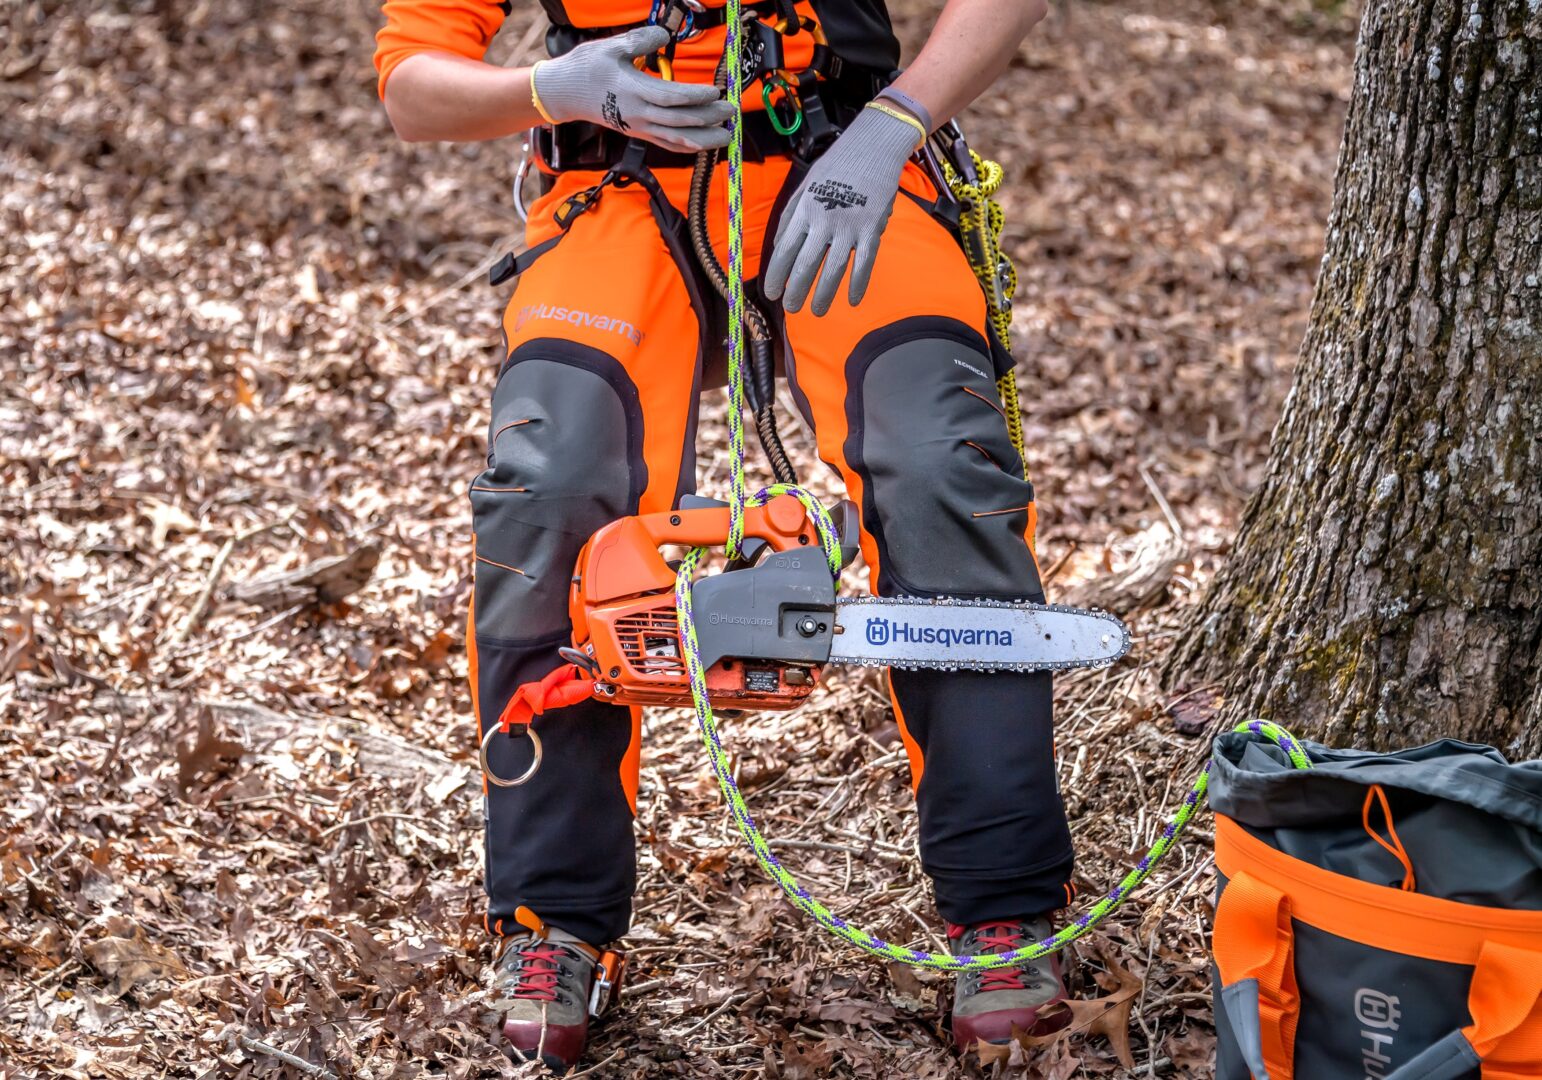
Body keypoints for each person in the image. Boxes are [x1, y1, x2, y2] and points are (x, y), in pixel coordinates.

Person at [374, 0, 1069, 1067]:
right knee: (546, 491)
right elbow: (413, 88)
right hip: (615, 185)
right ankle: (554, 923)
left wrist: (896, 124)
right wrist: (552, 91)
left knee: (942, 468)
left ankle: (1004, 910)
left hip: (847, 162)